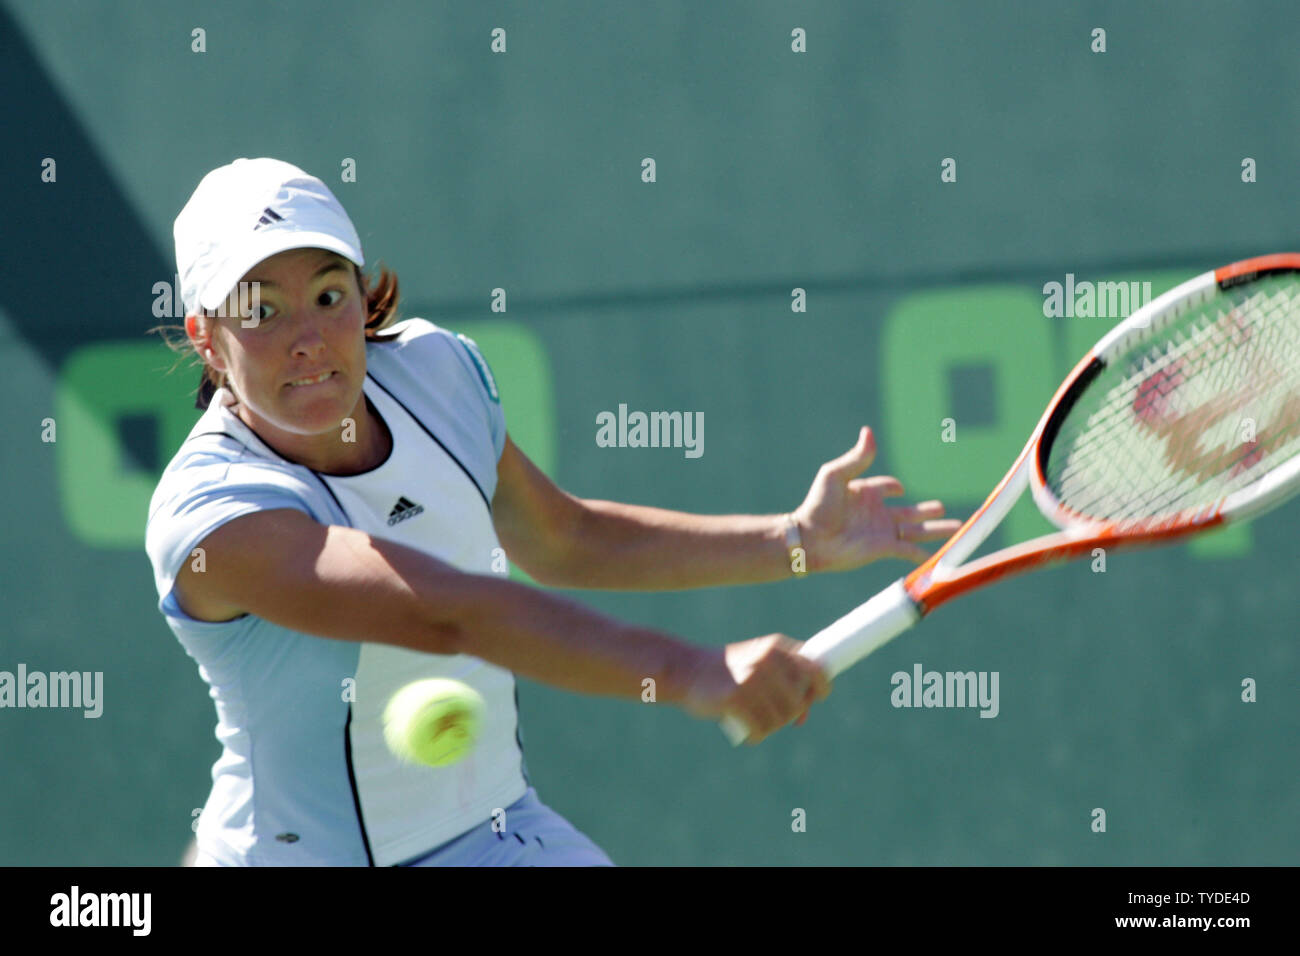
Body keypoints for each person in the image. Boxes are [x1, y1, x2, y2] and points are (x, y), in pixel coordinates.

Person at [146, 157, 960, 867]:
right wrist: (693, 672)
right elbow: (446, 613)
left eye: (329, 295)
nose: (308, 339)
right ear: (207, 340)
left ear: (363, 298)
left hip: (496, 839)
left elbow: (562, 538)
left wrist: (793, 542)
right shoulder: (216, 515)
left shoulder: (437, 374)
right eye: (260, 311)